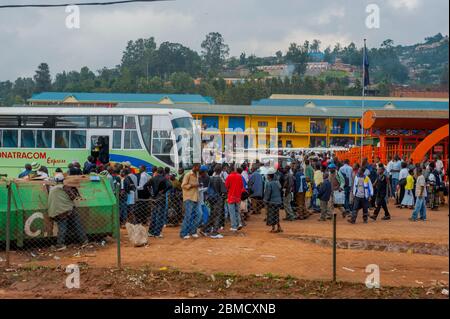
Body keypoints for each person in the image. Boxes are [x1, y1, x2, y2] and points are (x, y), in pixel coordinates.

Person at [47, 175, 88, 250]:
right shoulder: (65, 187)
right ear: (63, 180)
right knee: (77, 224)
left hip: (56, 212)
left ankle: (61, 244)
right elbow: (73, 197)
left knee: (62, 227)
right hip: (68, 210)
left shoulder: (52, 189)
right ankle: (83, 241)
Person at [204, 164, 227, 239]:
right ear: (221, 171)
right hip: (218, 199)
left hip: (211, 198)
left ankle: (205, 229)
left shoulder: (211, 178)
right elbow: (223, 190)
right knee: (217, 215)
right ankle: (214, 232)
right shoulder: (220, 179)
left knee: (212, 214)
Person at [148, 167, 172, 238]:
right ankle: (157, 233)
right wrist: (163, 191)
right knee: (160, 215)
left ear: (157, 171)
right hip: (161, 198)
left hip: (154, 198)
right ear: (163, 172)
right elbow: (170, 185)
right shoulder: (164, 178)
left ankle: (151, 232)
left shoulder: (153, 178)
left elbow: (145, 186)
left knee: (154, 214)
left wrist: (151, 194)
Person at [180, 163, 201, 239]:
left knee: (199, 214)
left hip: (196, 197)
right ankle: (183, 233)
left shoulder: (197, 174)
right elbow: (183, 185)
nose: (199, 168)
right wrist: (192, 185)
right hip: (189, 198)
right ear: (194, 167)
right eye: (198, 167)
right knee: (188, 216)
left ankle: (193, 231)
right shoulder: (188, 174)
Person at [225, 167, 244, 232]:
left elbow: (226, 186)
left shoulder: (229, 177)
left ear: (230, 170)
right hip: (238, 196)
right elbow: (242, 186)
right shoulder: (239, 176)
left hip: (231, 196)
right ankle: (239, 223)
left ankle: (234, 226)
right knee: (237, 211)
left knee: (232, 212)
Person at [264, 168, 283, 233]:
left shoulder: (269, 184)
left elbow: (268, 193)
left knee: (272, 215)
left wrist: (265, 200)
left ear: (269, 176)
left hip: (272, 202)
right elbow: (280, 189)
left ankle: (273, 228)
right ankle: (279, 227)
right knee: (276, 215)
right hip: (278, 201)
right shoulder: (277, 183)